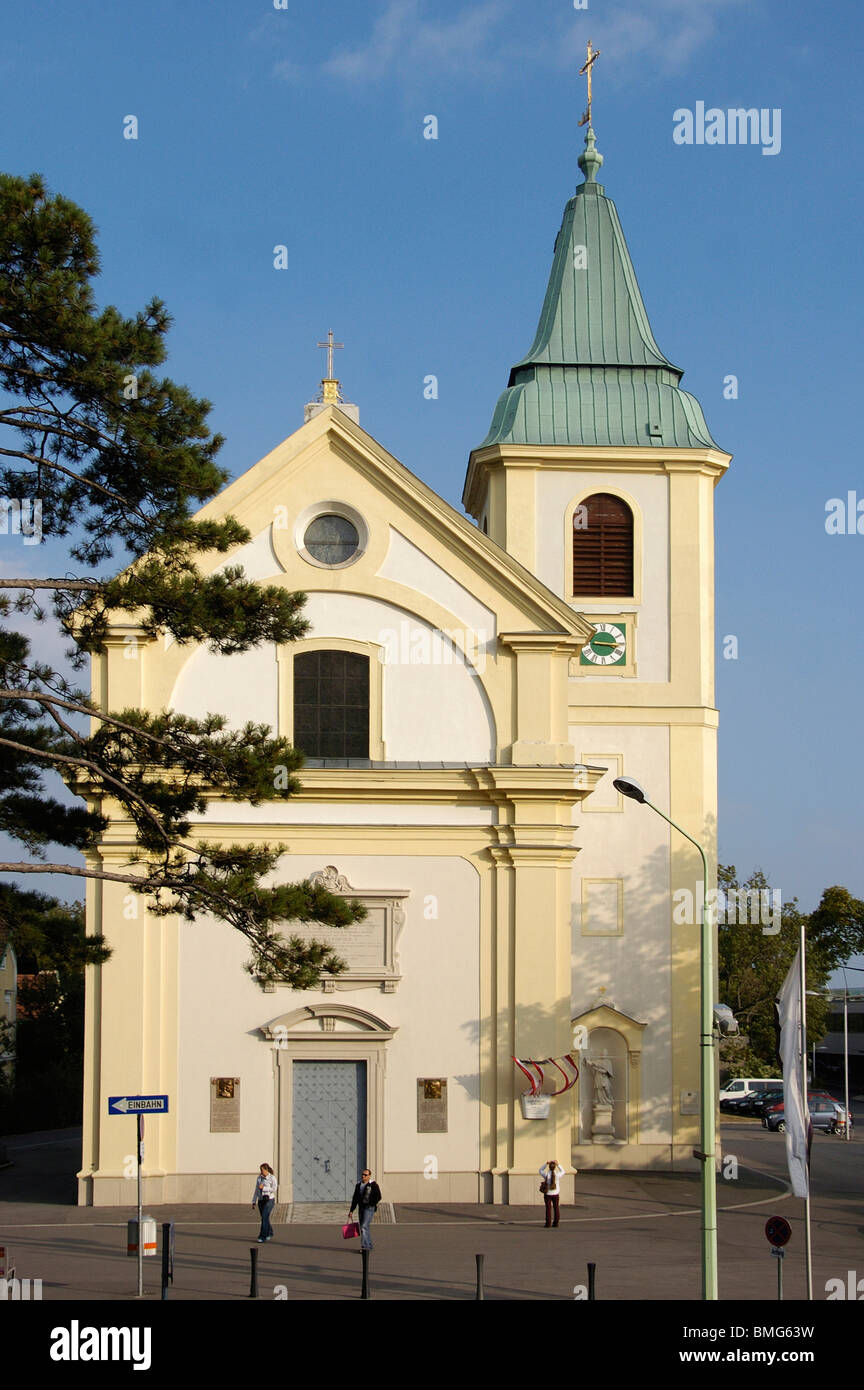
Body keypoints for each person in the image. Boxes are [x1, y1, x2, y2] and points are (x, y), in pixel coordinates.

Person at [348, 1168, 381, 1251]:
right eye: (362, 1174)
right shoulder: (358, 1184)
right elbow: (355, 1198)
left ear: (369, 1176)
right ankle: (368, 1245)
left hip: (369, 1208)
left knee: (364, 1226)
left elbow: (379, 1196)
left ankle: (365, 1247)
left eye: (365, 1175)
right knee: (364, 1227)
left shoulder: (373, 1184)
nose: (363, 1176)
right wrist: (351, 1210)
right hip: (361, 1208)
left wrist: (371, 1203)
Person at [252, 1162, 277, 1242]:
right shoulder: (259, 1178)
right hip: (261, 1200)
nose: (261, 1172)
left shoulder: (272, 1178)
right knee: (264, 1218)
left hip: (269, 1200)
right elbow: (256, 1189)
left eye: (262, 1170)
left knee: (264, 1216)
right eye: (260, 1170)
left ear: (266, 1170)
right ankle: (270, 1232)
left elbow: (274, 1189)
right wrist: (254, 1201)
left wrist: (264, 1188)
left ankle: (262, 1236)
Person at [539, 1157, 566, 1227]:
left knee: (548, 1209)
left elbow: (540, 1170)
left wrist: (545, 1164)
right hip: (556, 1194)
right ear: (554, 1168)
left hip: (548, 1194)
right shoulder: (557, 1175)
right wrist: (558, 1164)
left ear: (549, 1167)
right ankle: (556, 1223)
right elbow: (563, 1171)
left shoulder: (547, 1175)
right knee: (556, 1208)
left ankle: (548, 1223)